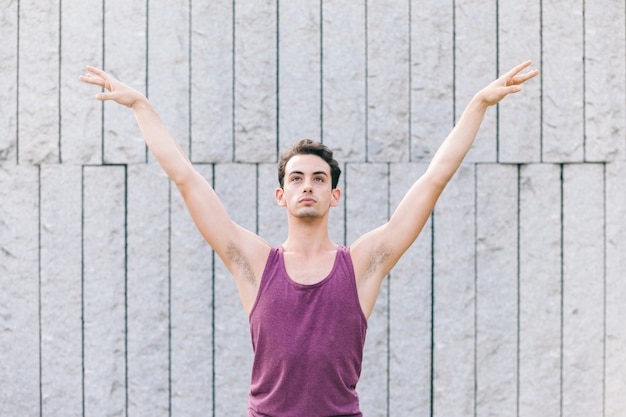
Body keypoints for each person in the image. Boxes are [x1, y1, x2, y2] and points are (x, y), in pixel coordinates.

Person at [80, 60, 538, 416]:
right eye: (297, 179)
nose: (308, 187)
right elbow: (186, 178)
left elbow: (433, 180)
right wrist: (142, 107)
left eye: (319, 179)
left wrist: (476, 105)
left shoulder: (362, 264)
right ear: (281, 195)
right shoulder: (253, 262)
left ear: (334, 194)